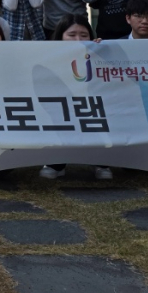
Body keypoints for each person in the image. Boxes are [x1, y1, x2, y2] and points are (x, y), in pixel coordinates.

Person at [40, 14, 112, 182]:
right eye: (71, 35)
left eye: (83, 35)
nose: (78, 39)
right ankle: (56, 163)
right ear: (61, 36)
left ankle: (101, 163)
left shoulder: (98, 54)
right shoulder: (47, 56)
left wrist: (102, 51)